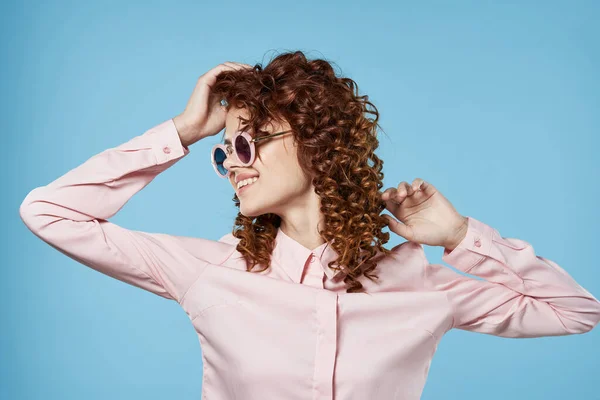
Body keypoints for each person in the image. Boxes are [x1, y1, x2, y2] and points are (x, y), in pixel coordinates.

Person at [19, 51, 600, 400]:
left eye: (245, 143)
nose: (231, 167)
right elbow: (47, 212)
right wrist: (182, 132)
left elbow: (576, 312)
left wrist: (458, 238)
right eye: (223, 154)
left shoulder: (417, 283)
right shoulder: (211, 272)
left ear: (317, 142)